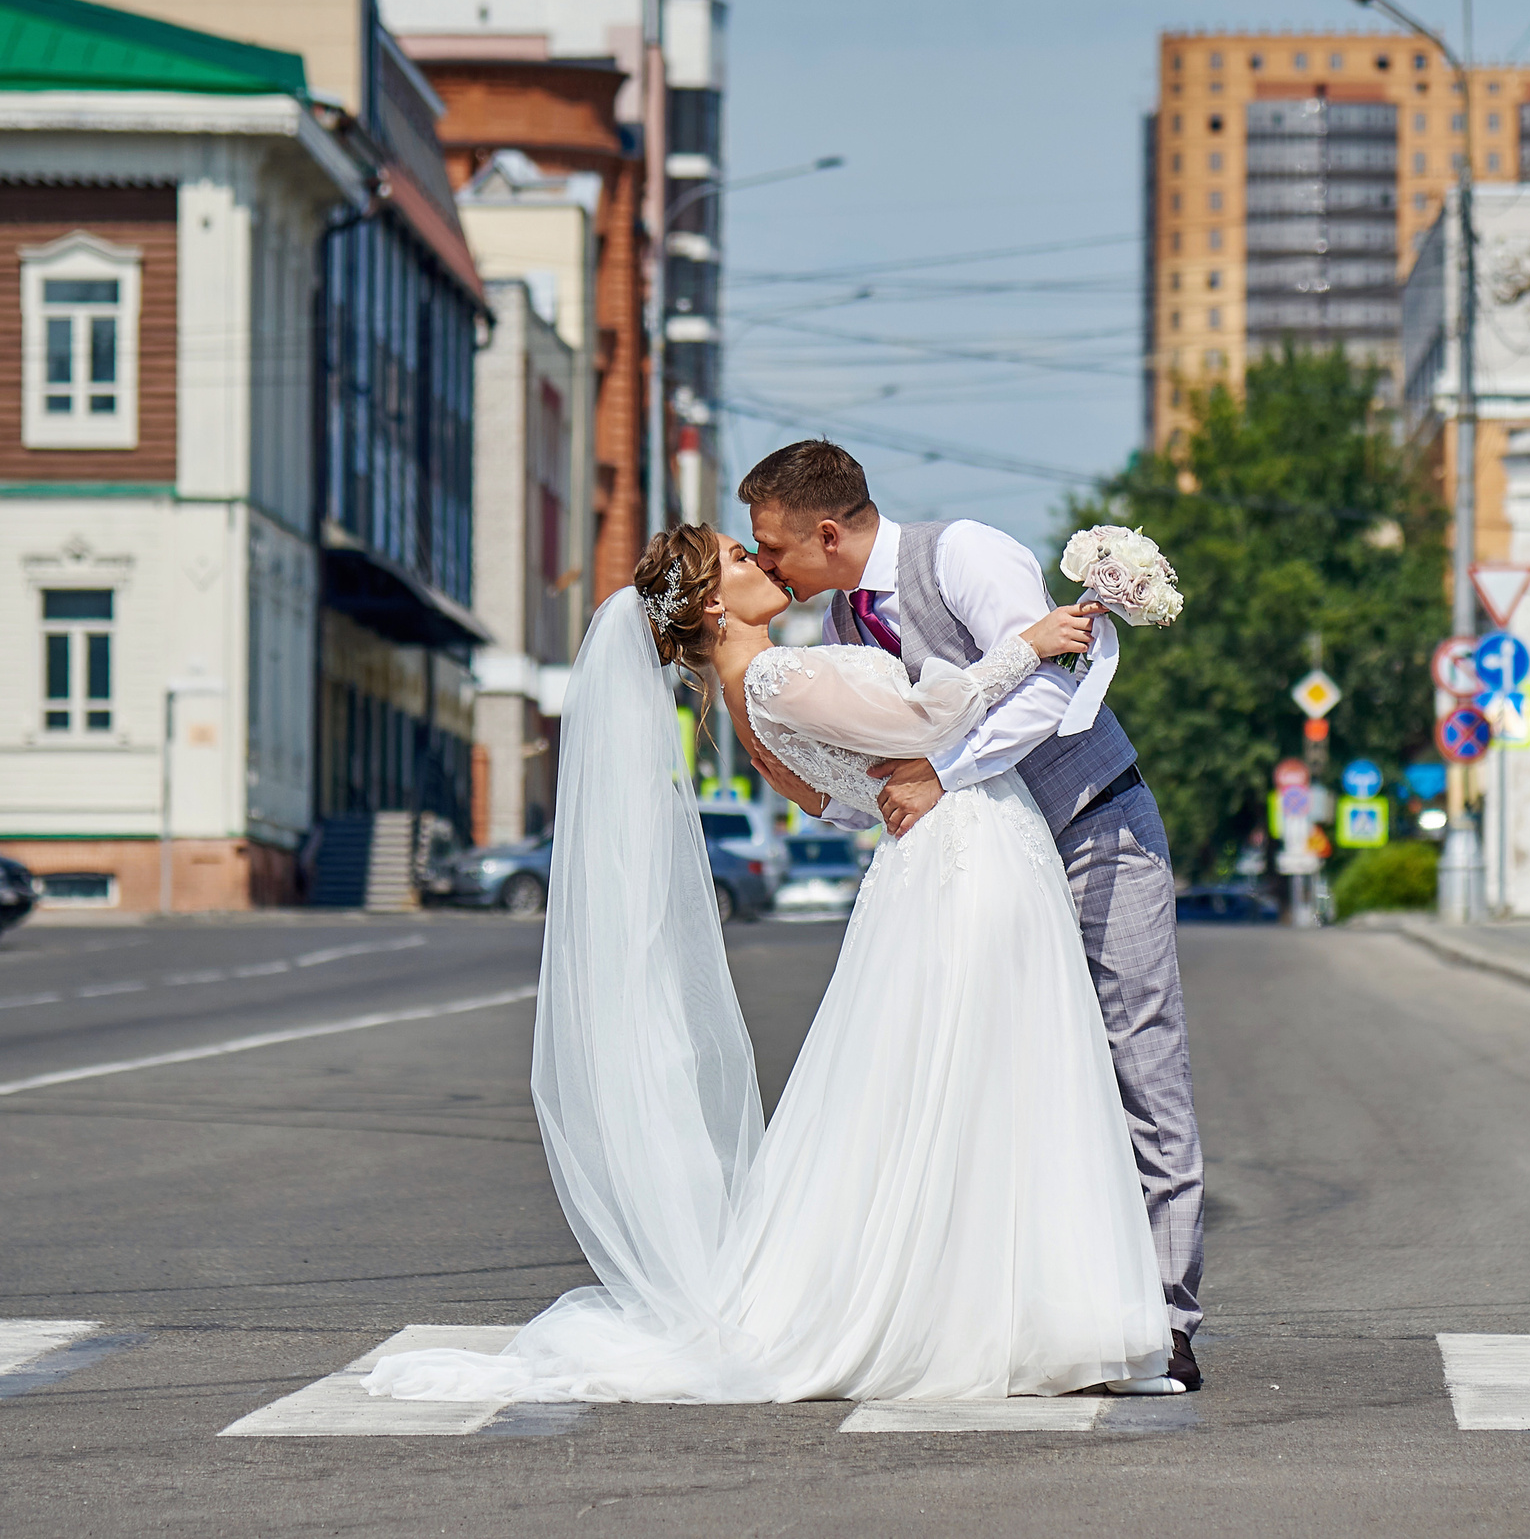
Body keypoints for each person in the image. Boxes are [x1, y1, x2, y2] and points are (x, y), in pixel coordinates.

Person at [366, 527, 1170, 1404]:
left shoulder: (764, 686)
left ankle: (1002, 1307)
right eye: (743, 559)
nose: (764, 563)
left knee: (969, 1082)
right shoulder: (776, 676)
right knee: (985, 1075)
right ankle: (1002, 1313)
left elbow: (839, 798)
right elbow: (924, 723)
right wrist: (1028, 645)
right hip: (962, 852)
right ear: (714, 603)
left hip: (956, 851)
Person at [738, 441, 1203, 1393]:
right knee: (1008, 1073)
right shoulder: (841, 618)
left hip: (1091, 825)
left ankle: (1165, 1313)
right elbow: (892, 747)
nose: (767, 565)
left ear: (827, 532)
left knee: (1137, 1057)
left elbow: (1051, 682)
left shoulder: (961, 554)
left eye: (773, 546)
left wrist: (940, 774)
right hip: (987, 861)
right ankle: (1029, 1301)